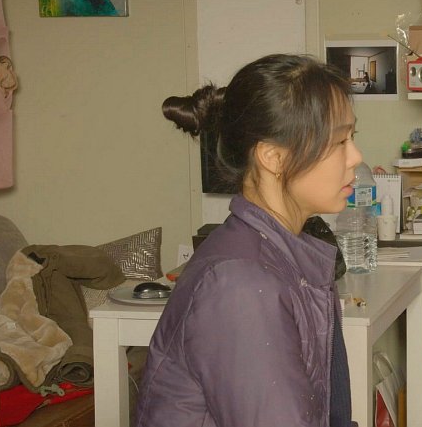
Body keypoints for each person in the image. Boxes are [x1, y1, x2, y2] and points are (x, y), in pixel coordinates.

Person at [135, 54, 362, 427]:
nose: (355, 156)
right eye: (339, 141)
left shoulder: (286, 255)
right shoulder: (239, 284)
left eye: (353, 138)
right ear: (273, 157)